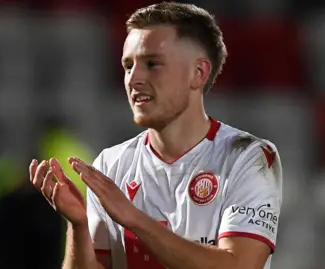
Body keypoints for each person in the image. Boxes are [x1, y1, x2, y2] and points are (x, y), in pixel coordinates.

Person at [29, 2, 283, 269]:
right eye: (128, 66)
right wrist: (78, 224)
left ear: (198, 74)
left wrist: (134, 218)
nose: (133, 78)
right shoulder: (110, 165)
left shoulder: (248, 157)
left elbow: (240, 266)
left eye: (152, 64)